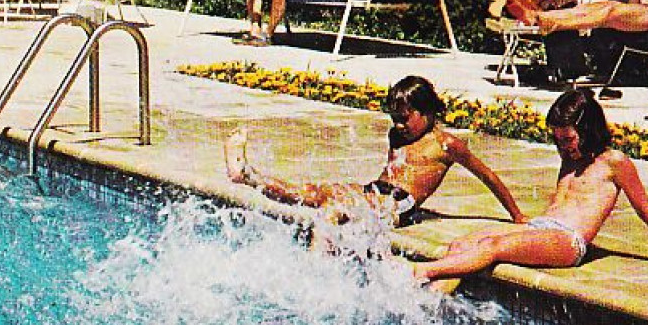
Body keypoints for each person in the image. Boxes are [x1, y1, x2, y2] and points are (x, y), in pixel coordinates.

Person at [413, 88, 648, 283]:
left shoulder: (615, 162)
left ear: (588, 129)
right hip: (542, 229)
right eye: (558, 140)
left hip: (569, 241)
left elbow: (645, 210)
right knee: (464, 243)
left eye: (568, 139)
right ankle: (434, 301)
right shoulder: (569, 156)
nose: (563, 146)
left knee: (492, 246)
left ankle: (422, 271)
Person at [224, 75, 526, 231]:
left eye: (404, 118)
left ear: (428, 111)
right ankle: (249, 176)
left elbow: (487, 176)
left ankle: (321, 273)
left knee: (332, 212)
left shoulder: (447, 145)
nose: (398, 125)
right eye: (394, 117)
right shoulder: (396, 134)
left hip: (399, 205)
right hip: (374, 191)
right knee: (313, 192)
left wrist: (517, 215)